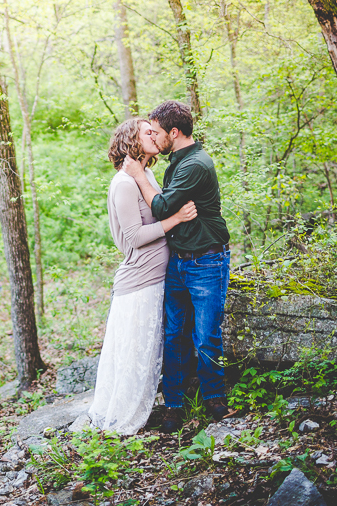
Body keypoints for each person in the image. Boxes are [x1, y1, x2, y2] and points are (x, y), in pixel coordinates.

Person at [122, 100, 232, 432]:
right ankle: (174, 405)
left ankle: (215, 399)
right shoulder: (178, 162)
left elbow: (163, 206)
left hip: (206, 262)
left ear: (174, 131)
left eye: (156, 132)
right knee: (174, 335)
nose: (153, 138)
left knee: (205, 335)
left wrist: (139, 174)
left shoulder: (196, 164)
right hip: (178, 262)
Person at [88, 118, 198, 435]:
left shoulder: (146, 173)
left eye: (155, 130)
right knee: (134, 353)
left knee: (149, 350)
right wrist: (177, 219)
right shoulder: (124, 183)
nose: (155, 135)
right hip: (139, 281)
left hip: (157, 276)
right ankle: (120, 417)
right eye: (147, 132)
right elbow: (134, 237)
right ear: (130, 140)